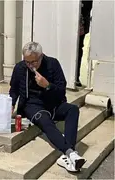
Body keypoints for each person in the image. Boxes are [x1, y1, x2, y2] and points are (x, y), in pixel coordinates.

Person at [9, 42, 86, 172]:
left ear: (41, 56)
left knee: (72, 109)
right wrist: (11, 104)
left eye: (33, 62)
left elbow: (61, 90)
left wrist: (47, 85)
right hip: (31, 105)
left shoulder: (52, 64)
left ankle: (67, 156)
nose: (30, 65)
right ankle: (70, 153)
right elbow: (14, 89)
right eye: (27, 62)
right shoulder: (20, 68)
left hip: (53, 103)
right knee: (45, 120)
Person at [76, 0, 93, 87]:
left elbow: (87, 7)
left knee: (78, 51)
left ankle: (75, 77)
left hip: (80, 27)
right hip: (68, 24)